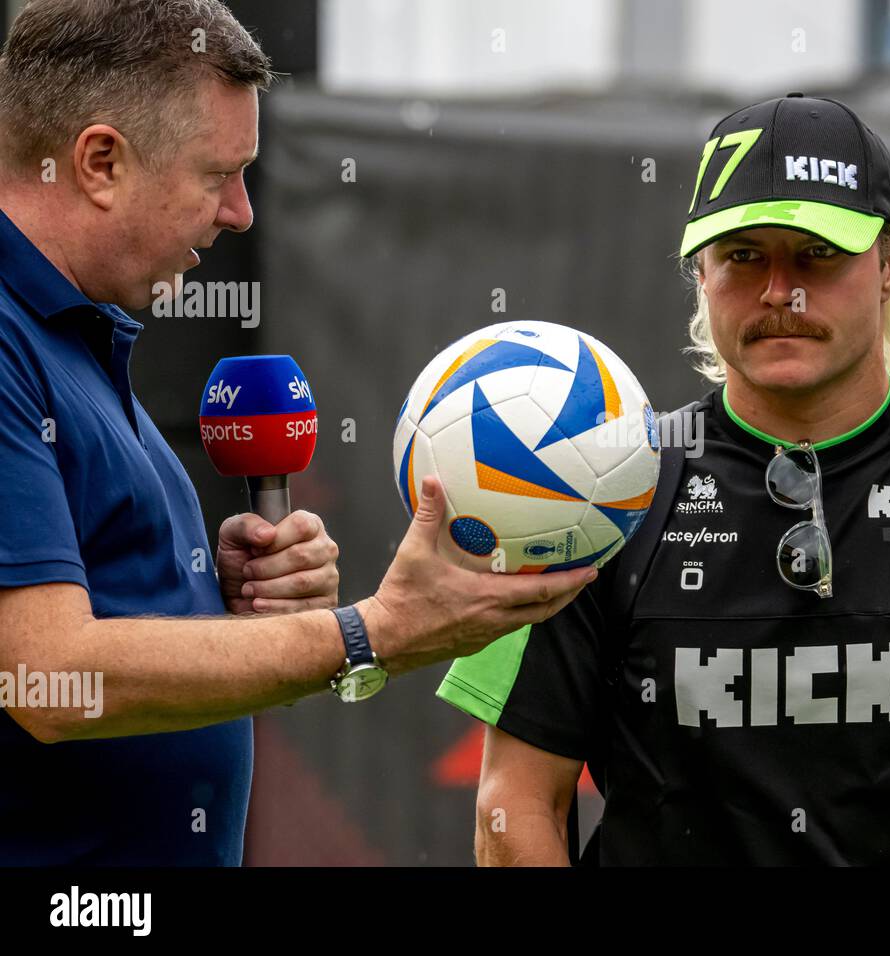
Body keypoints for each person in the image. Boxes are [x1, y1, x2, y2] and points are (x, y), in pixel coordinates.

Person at [438, 93, 890, 866]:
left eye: (817, 252)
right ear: (700, 274)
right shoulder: (593, 493)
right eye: (744, 256)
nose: (782, 291)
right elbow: (513, 807)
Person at [0, 0, 595, 865]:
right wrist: (368, 634)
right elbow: (44, 678)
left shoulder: (76, 338)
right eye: (220, 174)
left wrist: (222, 606)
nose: (240, 211)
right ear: (99, 162)